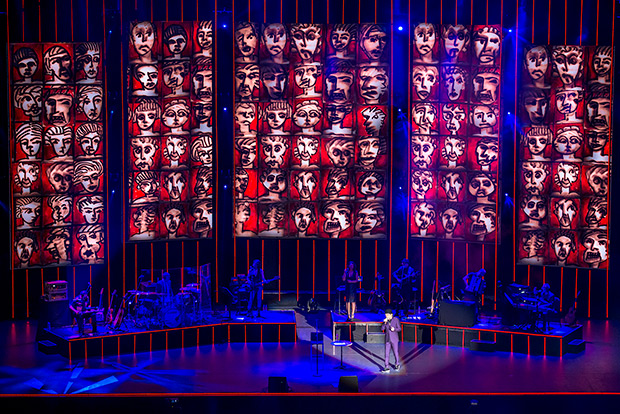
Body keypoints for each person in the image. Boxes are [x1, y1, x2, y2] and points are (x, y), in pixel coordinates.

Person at [381, 308, 401, 373]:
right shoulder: (386, 321)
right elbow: (382, 328)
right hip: (387, 339)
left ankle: (397, 364)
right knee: (386, 354)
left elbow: (399, 329)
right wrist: (384, 322)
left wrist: (394, 329)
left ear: (391, 315)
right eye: (386, 315)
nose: (386, 316)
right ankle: (386, 367)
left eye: (388, 315)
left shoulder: (396, 320)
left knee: (395, 352)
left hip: (394, 339)